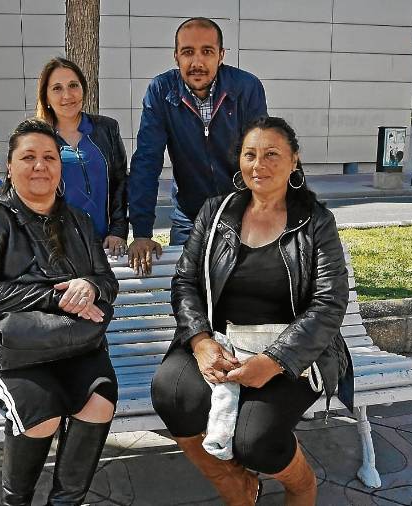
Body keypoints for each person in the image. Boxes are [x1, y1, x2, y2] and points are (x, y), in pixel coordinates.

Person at [151, 116, 354, 506]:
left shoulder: (316, 223)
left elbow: (329, 303)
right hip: (220, 341)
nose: (259, 165)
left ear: (294, 161)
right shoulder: (216, 213)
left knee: (255, 441)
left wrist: (275, 361)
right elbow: (185, 283)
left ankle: (301, 486)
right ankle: (237, 488)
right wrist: (200, 342)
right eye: (250, 154)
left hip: (292, 349)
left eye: (272, 154)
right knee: (171, 393)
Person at [0, 118, 119, 505]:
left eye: (49, 156)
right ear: (10, 167)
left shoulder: (79, 222)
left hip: (72, 343)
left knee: (99, 403)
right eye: (28, 157)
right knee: (42, 415)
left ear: (60, 167)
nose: (40, 165)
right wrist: (54, 296)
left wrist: (90, 286)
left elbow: (106, 281)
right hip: (8, 348)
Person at [127, 17, 267, 275]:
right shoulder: (161, 91)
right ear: (176, 56)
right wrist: (142, 232)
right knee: (185, 286)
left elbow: (261, 159)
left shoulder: (246, 88)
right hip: (189, 216)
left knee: (243, 291)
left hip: (242, 212)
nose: (197, 62)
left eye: (207, 52)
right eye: (188, 52)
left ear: (221, 55)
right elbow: (147, 161)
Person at [35, 57, 129, 257]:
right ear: (46, 97)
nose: (67, 95)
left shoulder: (107, 129)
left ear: (83, 89)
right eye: (57, 88)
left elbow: (120, 184)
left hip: (104, 246)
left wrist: (118, 231)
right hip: (58, 250)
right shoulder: (37, 138)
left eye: (73, 85)